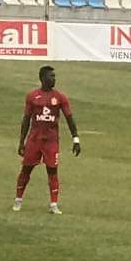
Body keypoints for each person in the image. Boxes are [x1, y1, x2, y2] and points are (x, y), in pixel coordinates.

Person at [13, 64, 80, 215]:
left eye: (54, 76)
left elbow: (70, 118)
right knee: (26, 169)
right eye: (51, 76)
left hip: (51, 141)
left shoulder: (60, 97)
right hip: (34, 140)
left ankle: (54, 203)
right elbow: (26, 119)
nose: (54, 79)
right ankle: (18, 200)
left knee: (52, 171)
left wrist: (75, 139)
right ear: (43, 78)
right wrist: (21, 141)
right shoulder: (32, 96)